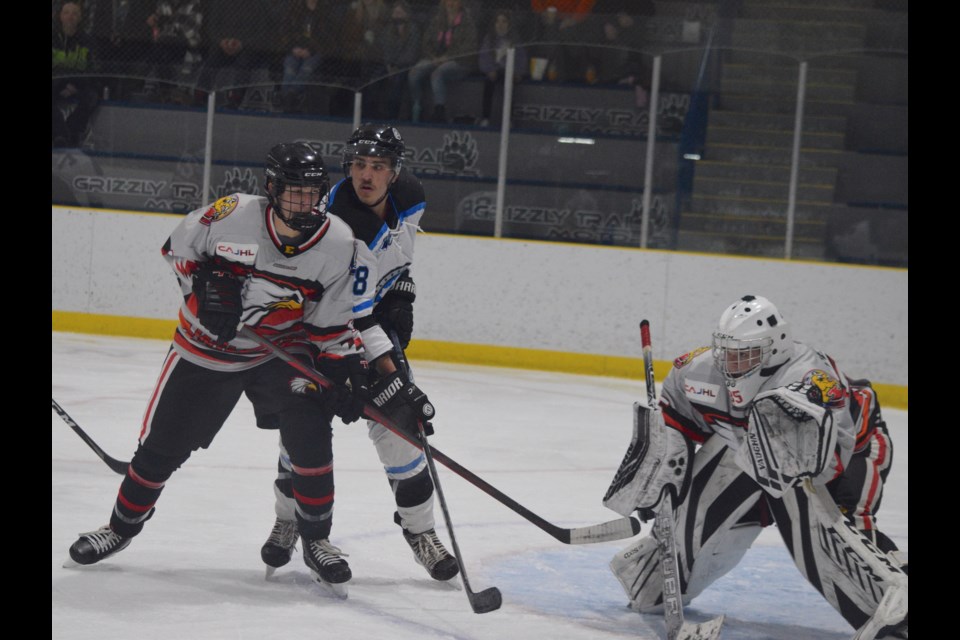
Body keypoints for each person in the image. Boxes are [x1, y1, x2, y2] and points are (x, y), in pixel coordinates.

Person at [64, 142, 433, 597]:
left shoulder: (339, 244)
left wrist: (344, 373)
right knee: (161, 450)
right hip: (206, 352)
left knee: (310, 438)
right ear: (272, 188)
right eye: (294, 192)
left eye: (313, 192)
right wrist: (204, 290)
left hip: (280, 354)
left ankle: (317, 541)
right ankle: (120, 528)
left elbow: (330, 327)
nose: (306, 202)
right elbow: (176, 252)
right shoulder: (231, 214)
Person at [603, 295, 908, 638]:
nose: (730, 362)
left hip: (850, 453)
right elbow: (677, 426)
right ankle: (660, 576)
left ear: (775, 348)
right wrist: (664, 469)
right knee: (684, 537)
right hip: (750, 446)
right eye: (726, 350)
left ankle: (896, 610)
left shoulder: (810, 377)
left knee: (845, 534)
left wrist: (771, 484)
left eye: (744, 353)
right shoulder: (698, 370)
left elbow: (826, 464)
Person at [259, 124, 460, 584]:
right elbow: (351, 313)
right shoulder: (345, 227)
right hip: (320, 331)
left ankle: (421, 532)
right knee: (303, 430)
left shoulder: (410, 193)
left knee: (401, 432)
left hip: (370, 322)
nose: (366, 176)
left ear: (395, 172)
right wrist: (387, 367)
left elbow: (399, 253)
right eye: (359, 166)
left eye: (378, 167)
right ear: (348, 167)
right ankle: (289, 518)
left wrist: (403, 290)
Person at [407, 0, 478, 123]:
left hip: (459, 61)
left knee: (438, 73)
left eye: (454, 1)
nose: (450, 4)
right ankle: (417, 106)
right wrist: (433, 57)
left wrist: (448, 57)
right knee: (414, 73)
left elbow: (468, 47)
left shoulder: (467, 22)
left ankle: (439, 110)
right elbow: (426, 43)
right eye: (448, 1)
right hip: (435, 58)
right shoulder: (437, 21)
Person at [53, 1, 100, 147]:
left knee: (92, 95)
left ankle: (72, 131)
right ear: (60, 16)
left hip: (79, 84)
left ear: (80, 18)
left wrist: (75, 85)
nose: (70, 17)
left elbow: (94, 69)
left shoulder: (88, 41)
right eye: (66, 13)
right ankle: (60, 133)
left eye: (75, 13)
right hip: (56, 81)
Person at [276, 0, 335, 113]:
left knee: (306, 69)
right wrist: (293, 48)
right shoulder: (294, 8)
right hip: (294, 49)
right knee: (290, 68)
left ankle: (290, 96)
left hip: (315, 51)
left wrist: (311, 50)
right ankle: (287, 99)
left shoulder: (325, 11)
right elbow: (285, 31)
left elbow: (327, 37)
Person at [476, 9, 527, 127]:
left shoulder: (515, 39)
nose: (500, 24)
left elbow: (521, 57)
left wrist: (518, 72)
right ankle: (485, 117)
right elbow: (484, 56)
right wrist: (489, 70)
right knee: (488, 85)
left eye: (504, 21)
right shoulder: (489, 39)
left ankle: (508, 120)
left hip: (509, 72)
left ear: (509, 24)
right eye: (498, 21)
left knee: (509, 87)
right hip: (494, 72)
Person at [377, 0, 422, 120]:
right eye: (395, 13)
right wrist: (389, 65)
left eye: (400, 13)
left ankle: (392, 115)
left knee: (398, 81)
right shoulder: (388, 30)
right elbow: (385, 50)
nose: (397, 16)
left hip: (406, 66)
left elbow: (412, 53)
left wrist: (397, 66)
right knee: (375, 77)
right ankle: (372, 112)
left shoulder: (413, 30)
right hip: (389, 65)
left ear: (406, 14)